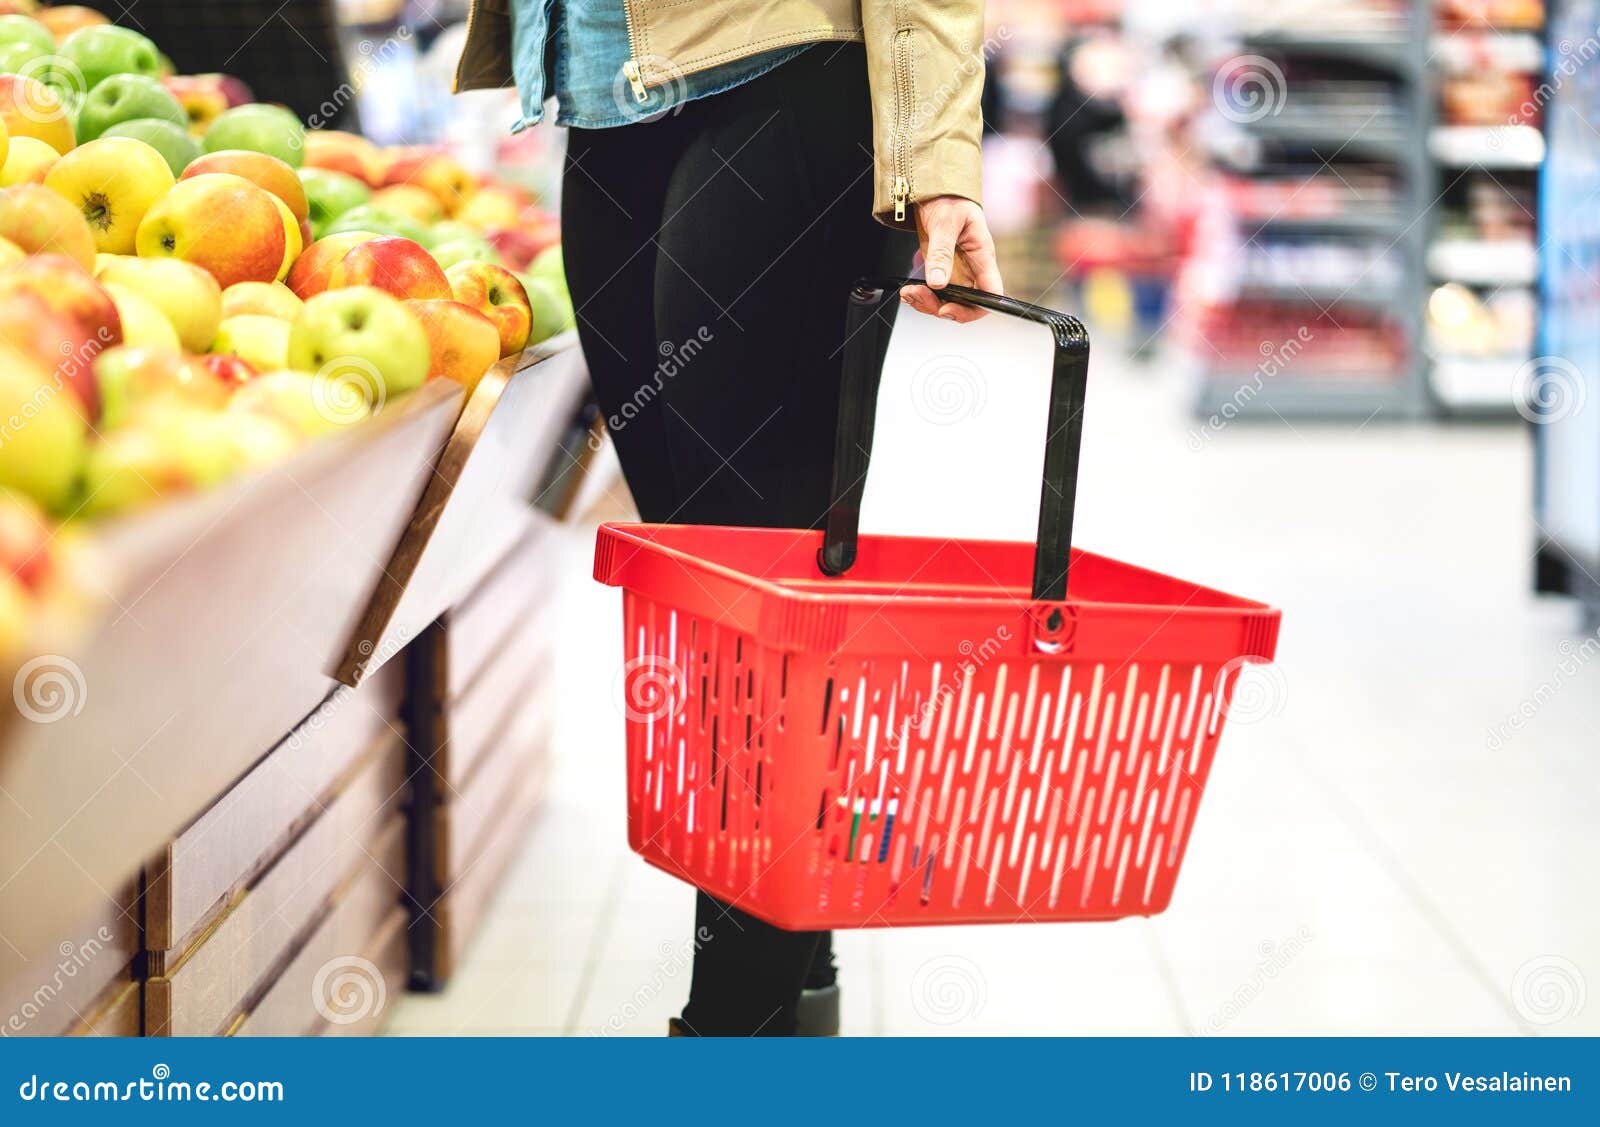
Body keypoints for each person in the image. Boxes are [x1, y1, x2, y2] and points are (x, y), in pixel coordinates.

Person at [454, 0, 1001, 1037]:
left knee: (756, 604)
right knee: (706, 607)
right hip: (600, 96)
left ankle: (731, 1031)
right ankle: (797, 987)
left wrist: (939, 156)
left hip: (784, 73)